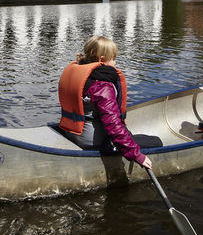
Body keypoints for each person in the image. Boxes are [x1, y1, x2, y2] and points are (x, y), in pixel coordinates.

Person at [58, 35, 153, 170]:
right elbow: (113, 124)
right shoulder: (102, 85)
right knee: (155, 141)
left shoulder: (80, 74)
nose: (115, 62)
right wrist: (137, 155)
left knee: (131, 136)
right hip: (91, 140)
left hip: (71, 132)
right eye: (114, 59)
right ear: (102, 60)